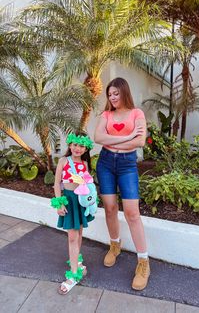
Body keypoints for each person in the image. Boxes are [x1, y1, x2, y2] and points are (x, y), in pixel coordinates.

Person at [94, 77, 150, 290]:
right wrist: (124, 137)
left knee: (132, 212)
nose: (112, 97)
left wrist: (112, 138)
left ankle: (143, 261)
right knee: (109, 208)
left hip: (127, 165)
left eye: (116, 93)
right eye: (109, 94)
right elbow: (98, 137)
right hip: (106, 163)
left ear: (124, 92)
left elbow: (140, 141)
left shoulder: (137, 114)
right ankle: (115, 245)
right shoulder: (106, 114)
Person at [51, 132, 95, 295]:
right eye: (75, 144)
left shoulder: (85, 163)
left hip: (80, 201)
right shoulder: (63, 161)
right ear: (70, 145)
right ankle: (74, 273)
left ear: (86, 148)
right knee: (72, 236)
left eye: (81, 146)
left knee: (79, 232)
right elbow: (57, 183)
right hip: (68, 200)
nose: (77, 148)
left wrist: (91, 201)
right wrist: (59, 202)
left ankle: (76, 262)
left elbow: (88, 184)